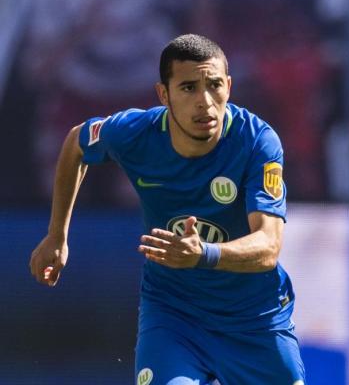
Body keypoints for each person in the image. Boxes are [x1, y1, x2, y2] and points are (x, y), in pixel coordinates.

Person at [30, 34, 306, 385]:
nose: (205, 102)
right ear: (164, 94)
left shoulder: (256, 141)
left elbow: (268, 246)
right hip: (174, 316)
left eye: (215, 85)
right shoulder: (135, 133)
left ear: (229, 87)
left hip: (253, 319)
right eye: (189, 88)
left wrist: (202, 253)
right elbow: (76, 143)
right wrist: (57, 235)